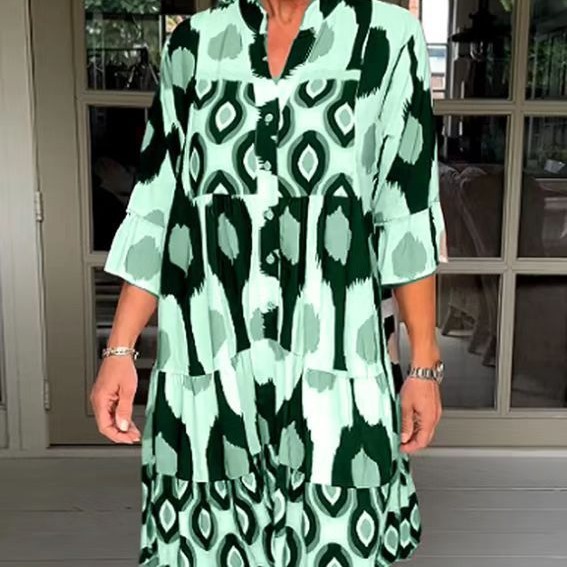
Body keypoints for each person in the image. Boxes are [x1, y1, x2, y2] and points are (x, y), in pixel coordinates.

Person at [90, 0, 448, 564]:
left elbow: (404, 210)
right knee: (214, 544)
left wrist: (423, 365)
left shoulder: (387, 37)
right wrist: (119, 349)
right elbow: (159, 206)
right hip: (211, 359)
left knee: (335, 539)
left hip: (333, 356)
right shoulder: (192, 45)